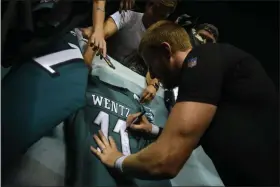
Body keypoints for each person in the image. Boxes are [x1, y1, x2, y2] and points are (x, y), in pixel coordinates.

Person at [90, 20, 278, 185]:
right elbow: (198, 133)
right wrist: (152, 130)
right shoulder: (210, 74)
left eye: (152, 65)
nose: (153, 75)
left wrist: (117, 160)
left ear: (166, 50)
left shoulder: (202, 59)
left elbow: (165, 160)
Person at [82, 0, 177, 103]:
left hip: (127, 89)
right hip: (105, 78)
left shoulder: (160, 38)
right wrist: (84, 65)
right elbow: (98, 36)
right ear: (149, 4)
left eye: (162, 16)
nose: (157, 19)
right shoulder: (127, 16)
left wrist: (153, 84)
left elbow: (155, 68)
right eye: (155, 12)